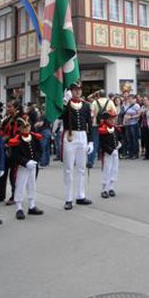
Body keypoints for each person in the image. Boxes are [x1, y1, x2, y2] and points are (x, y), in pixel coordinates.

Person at [62, 81, 93, 210]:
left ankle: (80, 195)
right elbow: (60, 117)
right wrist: (64, 103)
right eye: (75, 89)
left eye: (79, 89)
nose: (78, 91)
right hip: (70, 135)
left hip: (82, 136)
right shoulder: (67, 105)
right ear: (71, 91)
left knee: (81, 167)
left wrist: (91, 140)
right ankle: (68, 198)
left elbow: (89, 123)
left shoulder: (86, 105)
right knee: (68, 168)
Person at [8, 116, 44, 219]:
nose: (26, 128)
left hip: (33, 165)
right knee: (20, 185)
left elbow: (39, 150)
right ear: (19, 128)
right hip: (22, 167)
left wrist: (36, 160)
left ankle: (32, 205)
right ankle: (19, 207)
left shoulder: (34, 137)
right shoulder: (16, 140)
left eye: (27, 126)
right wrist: (25, 162)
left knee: (32, 184)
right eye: (23, 127)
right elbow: (15, 156)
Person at [0, 99, 23, 205]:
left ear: (16, 108)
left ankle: (14, 196)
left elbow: (19, 134)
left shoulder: (20, 120)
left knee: (14, 174)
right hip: (5, 149)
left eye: (10, 106)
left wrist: (7, 139)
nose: (7, 108)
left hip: (15, 150)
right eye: (7, 106)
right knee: (2, 172)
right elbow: (0, 129)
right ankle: (0, 194)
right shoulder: (7, 119)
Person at [98, 110, 122, 198]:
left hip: (116, 152)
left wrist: (120, 144)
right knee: (107, 170)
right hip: (107, 154)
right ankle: (104, 189)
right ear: (106, 119)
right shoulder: (102, 129)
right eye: (110, 119)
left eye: (113, 118)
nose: (112, 120)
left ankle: (111, 187)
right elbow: (102, 144)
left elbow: (120, 138)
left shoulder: (115, 128)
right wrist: (111, 151)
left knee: (114, 169)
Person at [89, 90, 115, 168]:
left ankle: (91, 161)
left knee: (95, 143)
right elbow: (114, 112)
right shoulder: (110, 102)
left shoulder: (94, 102)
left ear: (99, 95)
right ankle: (109, 161)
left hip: (96, 124)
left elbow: (91, 114)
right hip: (106, 125)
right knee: (108, 143)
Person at [121, 94, 141, 159]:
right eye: (129, 98)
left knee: (134, 139)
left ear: (134, 99)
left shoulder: (136, 106)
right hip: (127, 124)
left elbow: (139, 114)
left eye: (131, 99)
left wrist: (131, 117)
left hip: (134, 124)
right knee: (128, 139)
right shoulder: (127, 105)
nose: (129, 100)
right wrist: (124, 121)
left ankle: (135, 153)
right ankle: (130, 153)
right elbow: (125, 114)